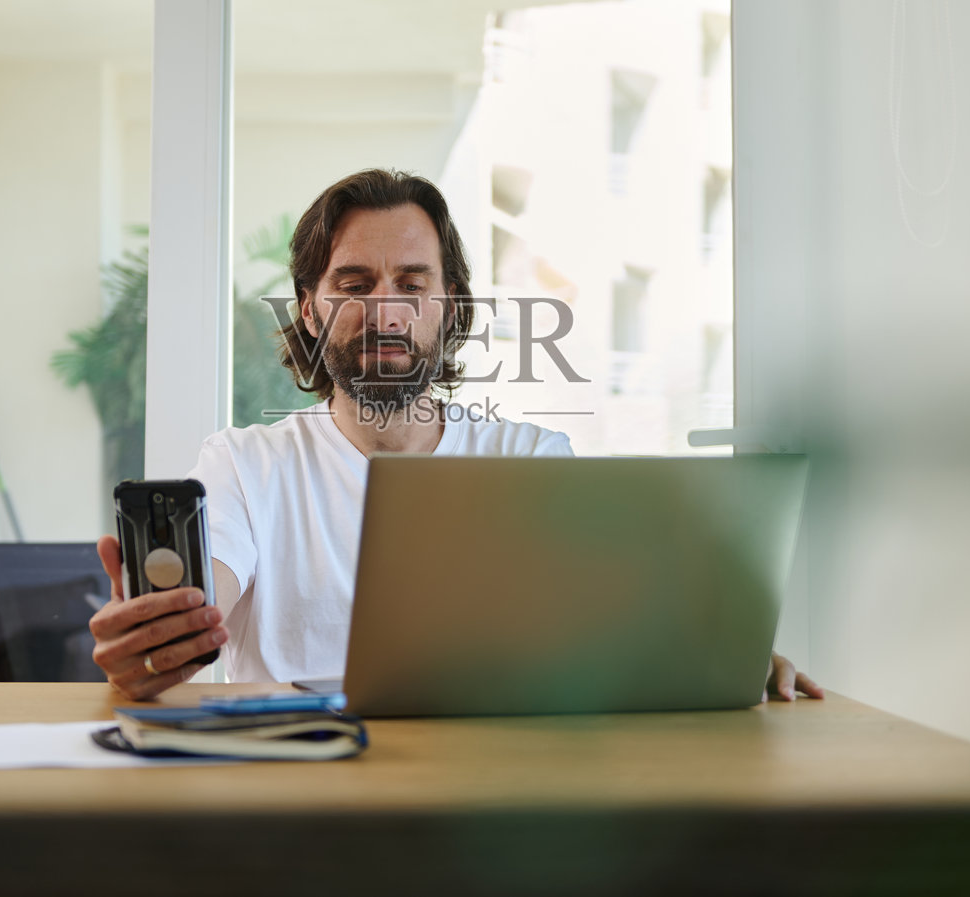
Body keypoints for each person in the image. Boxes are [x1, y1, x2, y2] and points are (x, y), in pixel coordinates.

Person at [88, 168, 823, 704]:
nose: (386, 311)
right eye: (353, 284)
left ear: (450, 310)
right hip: (299, 804)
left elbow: (606, 618)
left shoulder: (530, 460)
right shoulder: (245, 465)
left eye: (413, 284)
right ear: (309, 312)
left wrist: (718, 655)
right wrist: (154, 643)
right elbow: (197, 605)